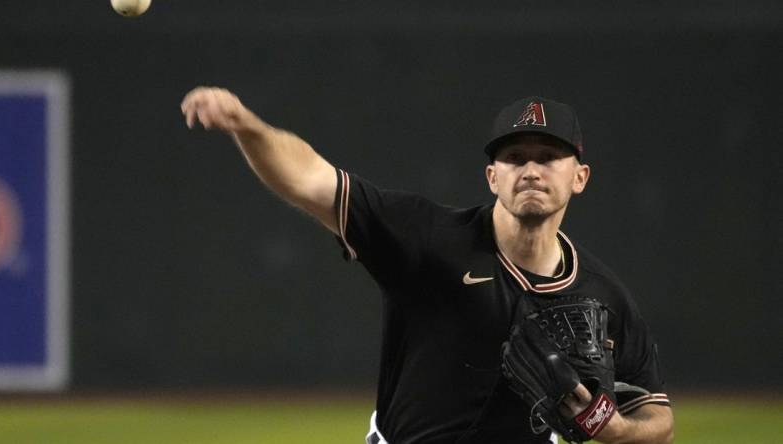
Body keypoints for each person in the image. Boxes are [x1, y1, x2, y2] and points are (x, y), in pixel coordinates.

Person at [180, 87, 674, 444]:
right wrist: (249, 127)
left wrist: (616, 429)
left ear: (580, 177)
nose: (530, 170)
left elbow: (656, 416)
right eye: (514, 157)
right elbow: (311, 181)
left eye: (548, 157)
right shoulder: (429, 238)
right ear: (491, 177)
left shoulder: (602, 294)